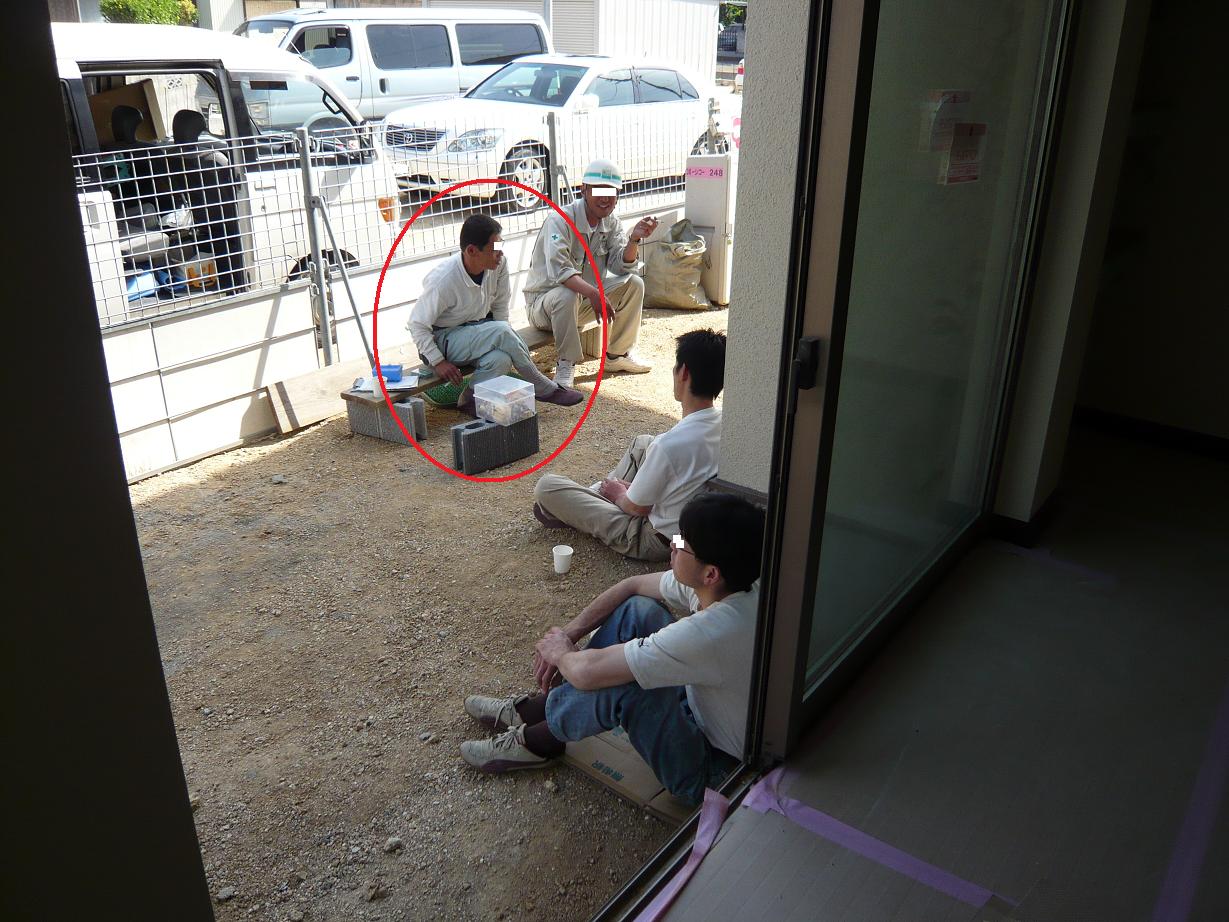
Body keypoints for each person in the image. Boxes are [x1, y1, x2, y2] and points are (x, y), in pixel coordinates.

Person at [459, 492, 765, 807]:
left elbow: (587, 673)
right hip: (703, 710)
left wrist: (561, 653)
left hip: (716, 772)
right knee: (640, 611)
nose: (672, 544)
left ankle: (540, 741)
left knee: (629, 685)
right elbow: (630, 586)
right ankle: (535, 710)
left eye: (682, 543)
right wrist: (570, 632)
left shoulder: (713, 632)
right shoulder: (733, 583)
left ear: (710, 573)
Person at [532, 329, 725, 561]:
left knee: (546, 486)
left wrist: (620, 495)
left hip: (656, 538)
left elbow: (637, 508)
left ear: (683, 372)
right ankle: (593, 499)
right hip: (684, 525)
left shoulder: (668, 446)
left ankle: (586, 504)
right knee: (643, 443)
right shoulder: (725, 423)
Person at [407, 214, 583, 416]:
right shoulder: (444, 279)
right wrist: (438, 361)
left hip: (476, 331)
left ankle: (470, 399)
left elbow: (500, 306)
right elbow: (416, 324)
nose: (500, 254)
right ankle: (543, 387)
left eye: (501, 246)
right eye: (494, 249)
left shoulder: (499, 264)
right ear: (472, 251)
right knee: (501, 331)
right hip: (441, 341)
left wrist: (505, 340)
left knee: (501, 359)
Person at [523, 159, 657, 388]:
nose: (605, 198)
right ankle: (566, 362)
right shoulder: (560, 220)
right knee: (566, 293)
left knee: (634, 283)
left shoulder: (611, 222)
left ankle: (617, 355)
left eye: (611, 192)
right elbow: (560, 271)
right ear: (583, 190)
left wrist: (634, 238)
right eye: (598, 190)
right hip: (543, 307)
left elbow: (620, 266)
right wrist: (594, 294)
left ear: (617, 195)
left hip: (583, 302)